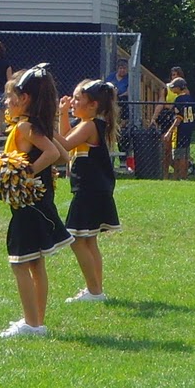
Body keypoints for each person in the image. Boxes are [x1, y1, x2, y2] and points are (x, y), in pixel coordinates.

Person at [0, 66, 72, 338]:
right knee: (36, 263)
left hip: (29, 206)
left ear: (24, 98)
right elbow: (65, 156)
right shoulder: (34, 126)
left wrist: (25, 174)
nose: (7, 103)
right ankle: (36, 321)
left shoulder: (27, 127)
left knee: (20, 262)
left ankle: (31, 325)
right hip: (38, 204)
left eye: (10, 98)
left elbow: (54, 153)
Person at [59, 79, 121, 303]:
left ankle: (94, 291)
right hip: (93, 189)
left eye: (78, 99)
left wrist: (41, 125)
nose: (73, 102)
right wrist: (63, 115)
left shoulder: (89, 125)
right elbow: (66, 137)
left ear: (93, 105)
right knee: (89, 240)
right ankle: (96, 290)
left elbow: (63, 144)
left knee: (76, 239)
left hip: (89, 190)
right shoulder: (86, 123)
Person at [164, 77, 194, 179]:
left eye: (173, 87)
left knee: (179, 155)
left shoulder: (179, 99)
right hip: (189, 128)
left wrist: (169, 132)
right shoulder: (190, 98)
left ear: (178, 88)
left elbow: (178, 118)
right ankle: (184, 176)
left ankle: (178, 176)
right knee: (185, 154)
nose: (172, 90)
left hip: (180, 130)